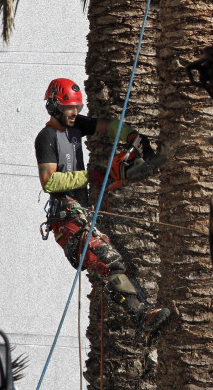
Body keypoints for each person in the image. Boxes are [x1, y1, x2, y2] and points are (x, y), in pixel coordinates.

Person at [35, 77, 170, 334]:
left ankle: (143, 311)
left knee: (120, 261)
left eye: (76, 107)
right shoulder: (47, 137)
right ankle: (144, 317)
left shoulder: (75, 126)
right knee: (108, 263)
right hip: (68, 220)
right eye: (68, 108)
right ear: (54, 107)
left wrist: (132, 136)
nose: (75, 113)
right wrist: (91, 176)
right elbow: (49, 182)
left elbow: (108, 127)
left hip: (83, 215)